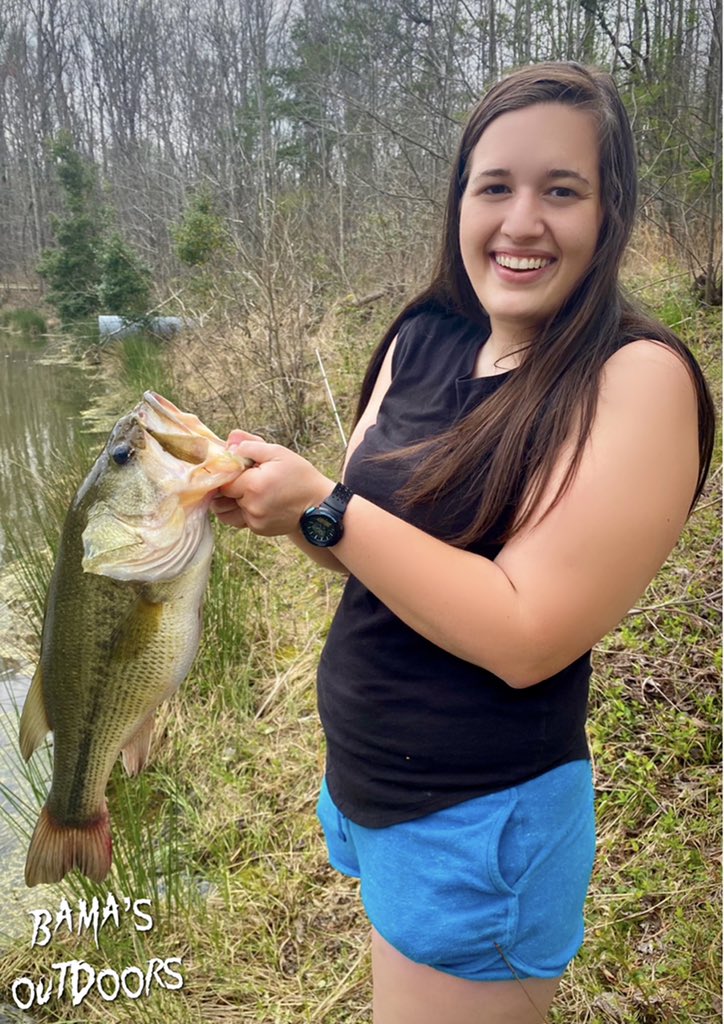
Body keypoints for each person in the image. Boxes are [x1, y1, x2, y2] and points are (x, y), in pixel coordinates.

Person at [211, 61, 715, 1024]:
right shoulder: (426, 336)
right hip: (367, 793)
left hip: (479, 822)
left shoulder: (636, 379)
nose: (522, 221)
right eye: (496, 187)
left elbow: (529, 635)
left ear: (610, 217)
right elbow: (360, 546)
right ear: (458, 203)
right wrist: (290, 507)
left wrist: (330, 509)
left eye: (561, 190)